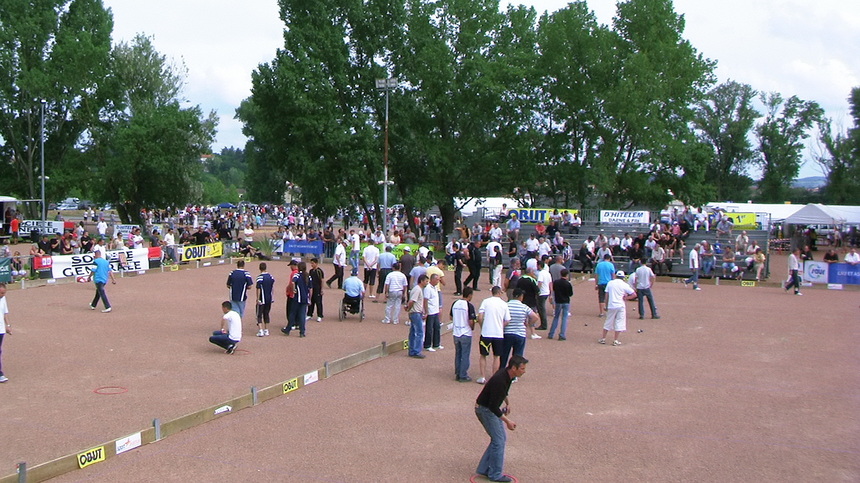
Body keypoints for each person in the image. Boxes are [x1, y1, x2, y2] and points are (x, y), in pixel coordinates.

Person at [474, 354, 529, 483]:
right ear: (514, 368)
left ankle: (484, 468)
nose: (524, 371)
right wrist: (507, 421)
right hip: (485, 409)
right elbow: (493, 407)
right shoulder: (500, 379)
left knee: (499, 439)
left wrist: (507, 403)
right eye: (522, 368)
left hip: (487, 408)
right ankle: (495, 474)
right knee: (499, 440)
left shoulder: (508, 375)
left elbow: (503, 393)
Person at [476, 286, 511, 384]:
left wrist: (482, 325)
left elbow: (480, 316)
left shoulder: (486, 302)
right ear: (499, 292)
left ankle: (482, 376)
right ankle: (494, 377)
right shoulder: (504, 304)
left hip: (486, 332)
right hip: (498, 333)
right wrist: (501, 326)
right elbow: (507, 320)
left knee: (483, 355)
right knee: (497, 356)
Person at [501, 289, 536, 369]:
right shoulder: (524, 307)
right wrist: (528, 324)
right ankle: (515, 373)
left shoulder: (506, 305)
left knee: (504, 354)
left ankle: (502, 370)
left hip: (507, 332)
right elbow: (535, 317)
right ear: (520, 296)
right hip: (520, 333)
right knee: (518, 356)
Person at [599, 271, 637, 346]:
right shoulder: (624, 285)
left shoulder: (610, 283)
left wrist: (606, 305)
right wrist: (626, 298)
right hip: (620, 305)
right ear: (623, 277)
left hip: (611, 305)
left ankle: (603, 338)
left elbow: (607, 295)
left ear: (616, 276)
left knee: (608, 321)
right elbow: (634, 294)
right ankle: (615, 340)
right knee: (619, 322)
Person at [451, 287, 476, 382]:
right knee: (465, 354)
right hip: (465, 332)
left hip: (456, 332)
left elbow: (451, 316)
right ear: (469, 295)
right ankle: (463, 374)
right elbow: (471, 321)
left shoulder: (455, 303)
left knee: (458, 353)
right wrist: (472, 327)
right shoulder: (469, 306)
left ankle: (458, 372)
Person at [284, 261, 311, 337]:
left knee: (292, 313)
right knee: (302, 315)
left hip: (297, 298)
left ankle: (288, 329)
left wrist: (294, 290)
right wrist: (310, 298)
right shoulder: (308, 276)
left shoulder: (297, 275)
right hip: (305, 298)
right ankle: (302, 332)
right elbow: (310, 289)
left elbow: (292, 282)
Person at [406, 274, 429, 358]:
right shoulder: (418, 289)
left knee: (413, 332)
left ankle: (412, 350)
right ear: (422, 281)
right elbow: (412, 301)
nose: (427, 283)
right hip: (415, 313)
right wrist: (409, 308)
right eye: (426, 281)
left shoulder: (418, 289)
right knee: (419, 332)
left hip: (415, 312)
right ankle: (416, 351)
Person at [549, 268, 573, 340]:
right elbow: (570, 294)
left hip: (558, 301)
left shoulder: (556, 282)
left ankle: (551, 333)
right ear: (567, 275)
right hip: (565, 301)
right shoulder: (568, 284)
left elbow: (554, 289)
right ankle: (562, 334)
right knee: (564, 318)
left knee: (556, 317)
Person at [423, 274, 443, 352]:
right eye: (437, 280)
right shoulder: (428, 288)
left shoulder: (435, 288)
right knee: (429, 329)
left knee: (437, 328)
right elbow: (425, 300)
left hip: (435, 311)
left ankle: (436, 344)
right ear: (433, 279)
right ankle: (427, 345)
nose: (438, 281)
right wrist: (426, 311)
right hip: (430, 311)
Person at [255, 262, 275, 337]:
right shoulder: (271, 276)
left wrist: (257, 298)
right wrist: (272, 297)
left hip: (262, 299)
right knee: (266, 314)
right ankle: (266, 330)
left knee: (259, 314)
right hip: (269, 298)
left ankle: (260, 330)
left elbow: (258, 289)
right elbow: (272, 287)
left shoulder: (260, 277)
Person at [307, 258, 325, 322]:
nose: (311, 265)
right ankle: (309, 314)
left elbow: (322, 280)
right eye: (311, 263)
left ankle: (319, 315)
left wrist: (322, 289)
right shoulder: (311, 271)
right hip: (312, 288)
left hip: (318, 289)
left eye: (313, 263)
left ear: (316, 263)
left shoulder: (319, 271)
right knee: (311, 301)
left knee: (318, 302)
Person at [0, 283, 11, 382]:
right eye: (2, 293)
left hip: (1, 329)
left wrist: (8, 325)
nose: (3, 295)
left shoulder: (3, 299)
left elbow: (4, 313)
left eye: (4, 293)